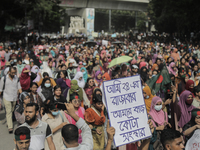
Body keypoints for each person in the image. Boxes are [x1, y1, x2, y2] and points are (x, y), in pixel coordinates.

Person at [0, 66, 22, 133]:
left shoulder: (16, 78)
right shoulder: (4, 79)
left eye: (14, 73)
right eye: (12, 73)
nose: (13, 74)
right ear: (9, 72)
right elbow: (0, 89)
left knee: (12, 110)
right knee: (9, 111)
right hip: (6, 97)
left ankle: (8, 120)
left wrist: (23, 96)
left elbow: (19, 88)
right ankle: (10, 127)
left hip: (14, 98)